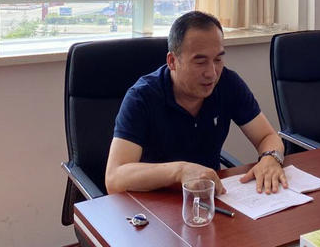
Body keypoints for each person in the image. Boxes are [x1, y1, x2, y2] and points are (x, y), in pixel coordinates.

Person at [105, 11, 287, 196]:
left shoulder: (227, 83)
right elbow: (114, 179)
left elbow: (267, 136)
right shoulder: (141, 97)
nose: (212, 73)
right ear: (172, 61)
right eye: (200, 62)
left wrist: (270, 158)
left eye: (218, 59)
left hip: (208, 198)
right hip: (153, 201)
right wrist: (180, 171)